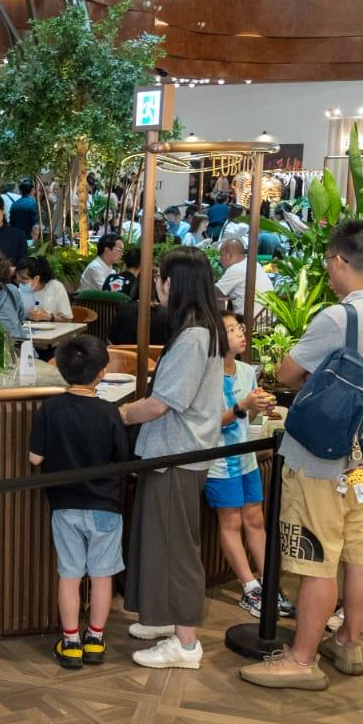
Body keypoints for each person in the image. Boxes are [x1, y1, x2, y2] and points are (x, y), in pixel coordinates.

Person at [241, 221, 363, 690]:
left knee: (316, 562)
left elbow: (287, 372)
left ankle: (300, 659)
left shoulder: (339, 318)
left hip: (323, 460)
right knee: (359, 555)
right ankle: (348, 642)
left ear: (339, 261)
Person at [119, 247, 227, 670]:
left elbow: (161, 403)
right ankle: (165, 617)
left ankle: (186, 643)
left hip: (176, 453)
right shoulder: (200, 327)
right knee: (162, 541)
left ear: (173, 283)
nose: (156, 285)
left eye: (160, 277)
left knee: (176, 547)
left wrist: (120, 415)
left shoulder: (195, 335)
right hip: (177, 451)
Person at [30, 333, 130, 668]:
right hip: (106, 505)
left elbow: (34, 458)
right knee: (102, 576)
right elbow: (122, 459)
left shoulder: (49, 409)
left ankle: (71, 642)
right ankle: (96, 640)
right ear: (102, 371)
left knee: (70, 574)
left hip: (64, 504)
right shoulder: (109, 412)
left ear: (59, 368)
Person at [206, 311, 287, 618]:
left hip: (246, 456)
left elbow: (246, 418)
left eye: (239, 327)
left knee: (255, 519)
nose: (240, 333)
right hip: (218, 460)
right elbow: (209, 423)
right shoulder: (207, 373)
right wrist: (243, 405)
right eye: (231, 329)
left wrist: (258, 406)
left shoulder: (245, 370)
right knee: (231, 523)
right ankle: (249, 587)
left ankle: (269, 583)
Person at [215, 237, 272, 314]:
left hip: (251, 318)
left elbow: (215, 292)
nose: (220, 259)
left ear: (229, 255)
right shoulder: (251, 263)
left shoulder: (236, 269)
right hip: (266, 316)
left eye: (221, 255)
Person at [21, 255, 72, 322]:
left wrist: (46, 317)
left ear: (36, 278)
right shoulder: (19, 290)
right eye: (19, 276)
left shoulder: (56, 287)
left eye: (24, 278)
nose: (20, 281)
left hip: (54, 327)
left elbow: (67, 318)